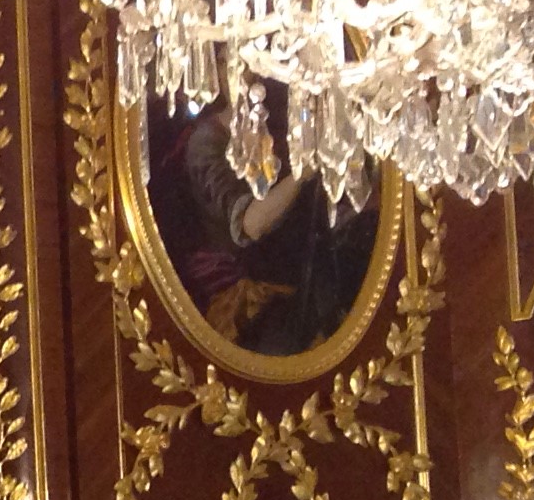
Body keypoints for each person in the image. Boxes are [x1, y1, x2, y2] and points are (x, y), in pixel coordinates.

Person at [154, 97, 379, 358]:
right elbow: (251, 225)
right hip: (252, 296)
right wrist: (303, 171)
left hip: (310, 272)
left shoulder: (282, 123)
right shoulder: (206, 142)